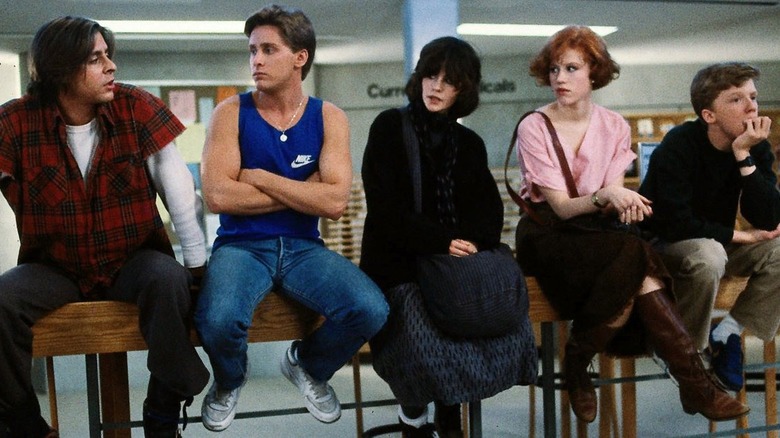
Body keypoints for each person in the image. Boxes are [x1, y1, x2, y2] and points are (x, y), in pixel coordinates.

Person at [513, 25, 748, 424]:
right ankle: (693, 381)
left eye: (571, 69)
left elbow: (611, 201)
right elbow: (564, 208)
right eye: (554, 70)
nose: (560, 79)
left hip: (598, 234)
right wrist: (608, 197)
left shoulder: (614, 126)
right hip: (549, 232)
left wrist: (626, 206)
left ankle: (582, 363)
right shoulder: (534, 126)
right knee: (636, 257)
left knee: (633, 260)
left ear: (594, 73)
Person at [0, 16, 209, 438]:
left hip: (133, 258)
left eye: (107, 55)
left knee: (169, 281)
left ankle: (165, 404)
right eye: (96, 59)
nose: (111, 66)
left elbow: (178, 189)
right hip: (54, 266)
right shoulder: (14, 122)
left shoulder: (136, 107)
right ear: (61, 69)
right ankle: (20, 418)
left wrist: (197, 266)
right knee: (2, 300)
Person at [193, 4, 388, 432]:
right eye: (252, 50)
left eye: (268, 49)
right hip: (242, 247)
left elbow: (335, 203)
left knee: (370, 308)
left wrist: (261, 178)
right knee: (219, 320)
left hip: (304, 249)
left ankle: (307, 365)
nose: (256, 60)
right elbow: (218, 195)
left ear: (299, 57)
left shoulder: (329, 117)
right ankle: (228, 382)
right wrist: (305, 190)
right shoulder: (230, 113)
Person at [360, 36, 538, 438]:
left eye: (448, 80)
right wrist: (441, 240)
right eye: (430, 74)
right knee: (421, 340)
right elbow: (386, 211)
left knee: (484, 322)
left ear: (464, 90)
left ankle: (449, 410)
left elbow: (489, 214)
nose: (435, 86)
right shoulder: (389, 127)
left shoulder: (468, 144)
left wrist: (470, 243)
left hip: (453, 264)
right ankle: (414, 417)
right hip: (399, 264)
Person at [639, 62, 780, 391]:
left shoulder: (752, 145)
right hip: (666, 243)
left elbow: (769, 218)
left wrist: (743, 155)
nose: (751, 107)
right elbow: (674, 222)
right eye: (736, 99)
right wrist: (740, 235)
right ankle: (686, 352)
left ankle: (727, 332)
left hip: (716, 242)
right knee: (710, 254)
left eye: (753, 97)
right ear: (708, 116)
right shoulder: (679, 144)